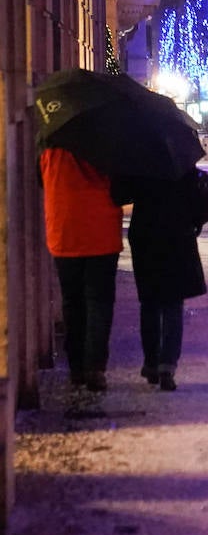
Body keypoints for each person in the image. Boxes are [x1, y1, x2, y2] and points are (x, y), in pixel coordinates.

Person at [111, 170, 208, 392]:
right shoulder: (179, 159)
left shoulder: (139, 159)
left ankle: (151, 362)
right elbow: (197, 194)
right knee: (173, 303)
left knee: (150, 301)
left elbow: (119, 194)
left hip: (146, 234)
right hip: (177, 233)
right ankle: (167, 366)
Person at [40, 147, 124, 392]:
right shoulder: (108, 149)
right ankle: (95, 368)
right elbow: (122, 190)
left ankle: (76, 367)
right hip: (102, 234)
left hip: (64, 233)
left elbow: (40, 180)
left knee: (72, 301)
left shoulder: (50, 150)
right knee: (100, 303)